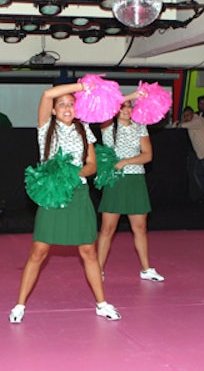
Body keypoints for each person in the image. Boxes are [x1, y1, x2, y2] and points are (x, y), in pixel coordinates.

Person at [9, 81, 121, 323]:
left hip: (78, 195)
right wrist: (82, 87)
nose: (67, 108)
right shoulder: (45, 127)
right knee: (39, 251)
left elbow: (91, 165)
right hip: (53, 195)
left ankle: (102, 304)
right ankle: (19, 305)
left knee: (88, 250)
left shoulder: (84, 130)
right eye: (62, 104)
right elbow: (48, 93)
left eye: (71, 104)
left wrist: (74, 173)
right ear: (53, 109)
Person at [97, 94, 164, 283]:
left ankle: (146, 269)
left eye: (130, 106)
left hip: (135, 181)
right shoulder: (108, 126)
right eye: (123, 106)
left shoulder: (140, 127)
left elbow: (147, 155)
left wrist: (126, 161)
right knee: (107, 228)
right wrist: (133, 95)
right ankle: (98, 269)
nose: (127, 110)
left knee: (140, 227)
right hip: (115, 181)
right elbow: (107, 106)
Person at [174, 106, 204, 204]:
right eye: (184, 116)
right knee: (197, 173)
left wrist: (181, 122)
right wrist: (182, 121)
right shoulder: (190, 124)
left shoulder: (198, 120)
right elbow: (175, 125)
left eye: (188, 115)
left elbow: (180, 126)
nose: (186, 117)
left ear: (193, 114)